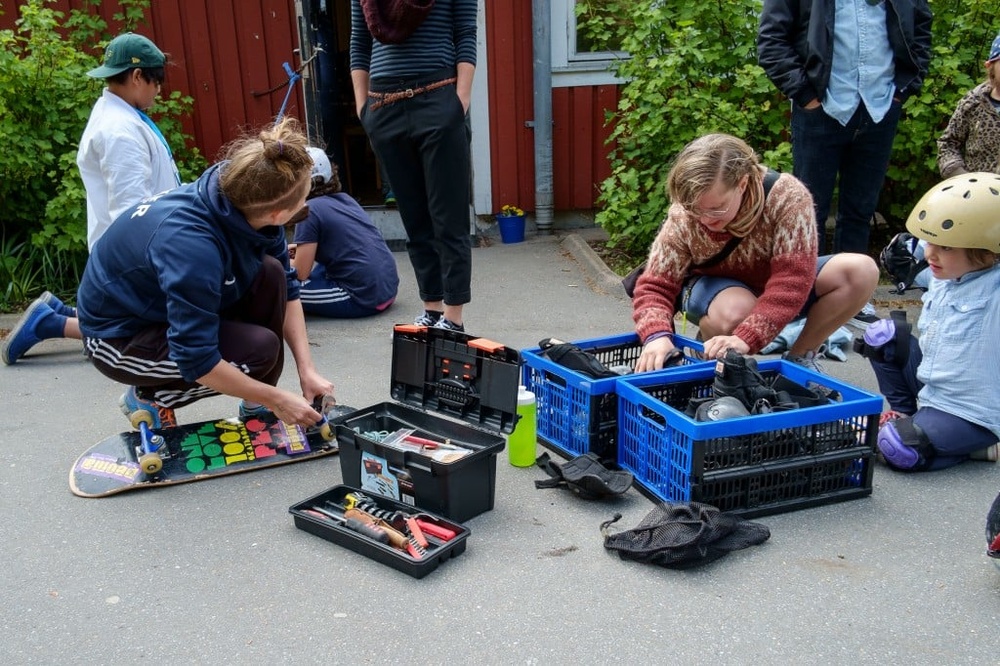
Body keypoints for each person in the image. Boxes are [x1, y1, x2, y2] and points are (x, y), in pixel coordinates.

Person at [76, 117, 334, 430]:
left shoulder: (247, 198)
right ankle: (148, 397)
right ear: (278, 213)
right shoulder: (192, 249)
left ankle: (255, 406)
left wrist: (307, 370)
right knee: (260, 352)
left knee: (272, 274)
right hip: (118, 337)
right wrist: (276, 397)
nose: (304, 208)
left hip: (161, 308)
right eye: (302, 206)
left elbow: (290, 290)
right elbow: (196, 358)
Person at [2, 32, 181, 365]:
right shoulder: (120, 132)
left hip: (131, 246)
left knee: (153, 322)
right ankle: (50, 323)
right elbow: (133, 212)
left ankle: (63, 312)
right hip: (133, 252)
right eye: (157, 81)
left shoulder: (120, 115)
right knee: (149, 333)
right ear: (138, 76)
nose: (159, 90)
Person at [632, 133, 879, 373]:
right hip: (711, 292)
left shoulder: (788, 198)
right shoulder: (685, 213)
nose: (705, 219)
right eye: (697, 211)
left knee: (860, 271)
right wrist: (657, 335)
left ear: (742, 184)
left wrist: (749, 337)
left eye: (717, 209)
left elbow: (791, 281)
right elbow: (655, 285)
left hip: (772, 288)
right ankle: (707, 354)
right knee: (739, 309)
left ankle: (799, 361)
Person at [757, 0, 933, 328]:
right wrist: (805, 95)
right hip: (820, 107)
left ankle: (851, 300)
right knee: (808, 210)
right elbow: (771, 41)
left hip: (880, 106)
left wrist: (902, 91)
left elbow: (920, 31)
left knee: (860, 210)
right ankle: (802, 299)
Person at [350, 0, 477, 332]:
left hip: (438, 97)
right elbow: (359, 43)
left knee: (448, 219)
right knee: (414, 219)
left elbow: (465, 33)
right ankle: (431, 309)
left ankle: (453, 318)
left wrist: (459, 102)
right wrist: (364, 110)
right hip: (385, 108)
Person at [859, 173, 1000, 471]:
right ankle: (905, 413)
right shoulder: (945, 275)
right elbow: (908, 257)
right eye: (930, 243)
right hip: (931, 386)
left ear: (988, 251)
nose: (930, 253)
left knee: (898, 448)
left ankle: (980, 444)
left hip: (970, 412)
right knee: (882, 335)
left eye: (946, 247)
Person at [291, 147, 399, 318]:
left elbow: (301, 272)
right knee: (318, 266)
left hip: (361, 296)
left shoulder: (309, 211)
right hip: (387, 287)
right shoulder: (346, 199)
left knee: (280, 289)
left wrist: (277, 260)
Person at [937, 30, 1000, 178]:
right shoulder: (973, 103)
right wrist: (962, 178)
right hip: (978, 192)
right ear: (990, 66)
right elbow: (948, 144)